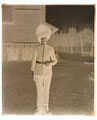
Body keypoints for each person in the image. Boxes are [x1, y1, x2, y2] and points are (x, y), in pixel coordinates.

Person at [31, 23, 58, 115]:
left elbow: (55, 61)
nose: (44, 40)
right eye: (42, 38)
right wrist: (33, 72)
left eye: (45, 38)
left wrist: (50, 62)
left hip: (48, 72)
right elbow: (33, 61)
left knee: (46, 90)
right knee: (39, 91)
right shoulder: (36, 48)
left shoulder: (51, 49)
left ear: (47, 38)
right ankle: (39, 108)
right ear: (40, 39)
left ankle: (46, 108)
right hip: (38, 72)